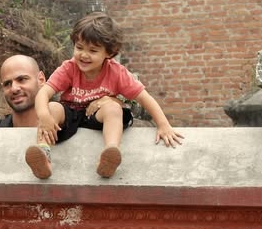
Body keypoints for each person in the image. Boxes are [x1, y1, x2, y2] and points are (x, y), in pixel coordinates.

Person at [27, 12, 184, 180]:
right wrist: (44, 116)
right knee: (52, 107)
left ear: (109, 53)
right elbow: (44, 92)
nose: (84, 55)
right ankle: (43, 154)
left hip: (98, 116)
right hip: (71, 112)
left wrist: (163, 125)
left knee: (113, 108)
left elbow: (144, 98)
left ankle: (110, 154)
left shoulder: (117, 72)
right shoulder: (69, 67)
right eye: (79, 48)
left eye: (93, 50)